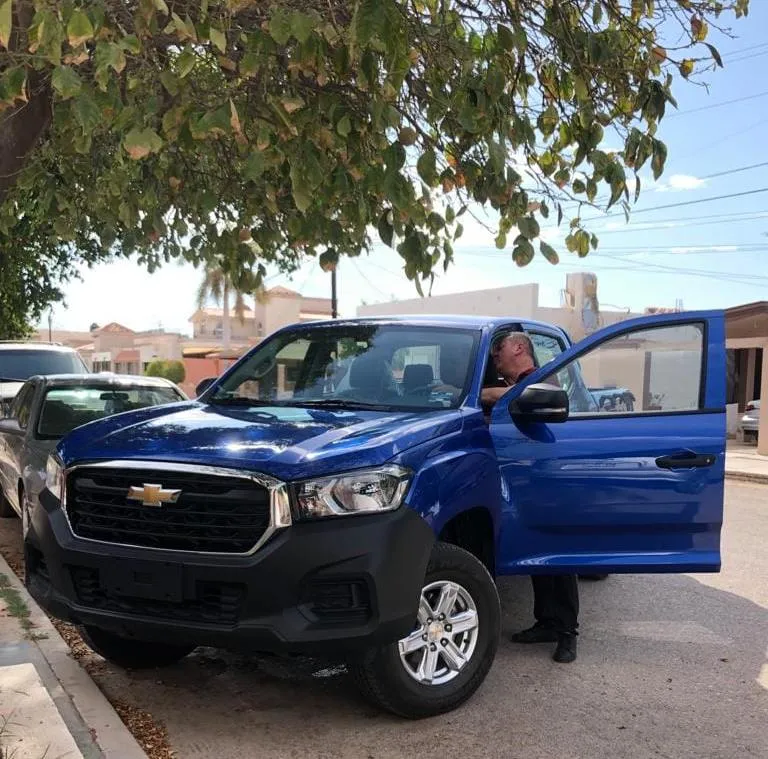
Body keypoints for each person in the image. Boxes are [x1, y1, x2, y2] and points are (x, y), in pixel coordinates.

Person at [481, 332, 579, 664]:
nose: (495, 357)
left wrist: (483, 393)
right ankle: (547, 622)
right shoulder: (513, 382)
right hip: (524, 479)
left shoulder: (542, 377)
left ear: (519, 348)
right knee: (535, 552)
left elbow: (529, 398)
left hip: (552, 477)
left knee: (559, 554)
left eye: (499, 350)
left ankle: (567, 632)